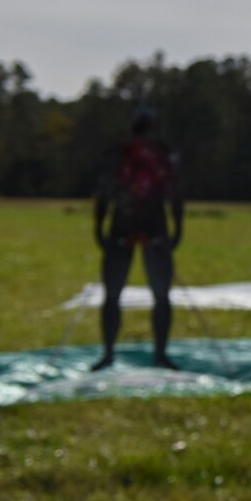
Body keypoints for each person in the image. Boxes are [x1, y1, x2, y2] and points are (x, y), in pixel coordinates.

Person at [91, 107, 184, 371]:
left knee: (115, 294)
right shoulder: (158, 153)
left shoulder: (125, 153)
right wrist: (177, 228)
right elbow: (175, 194)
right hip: (150, 226)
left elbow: (104, 192)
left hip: (126, 225)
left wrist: (99, 228)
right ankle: (157, 353)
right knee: (158, 295)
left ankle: (111, 353)